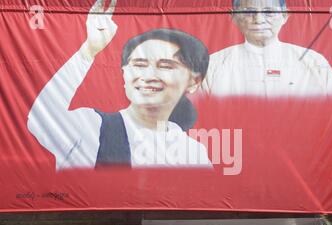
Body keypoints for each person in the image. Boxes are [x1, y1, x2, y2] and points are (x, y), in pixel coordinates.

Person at [28, 0, 212, 170]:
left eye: (165, 66)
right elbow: (41, 120)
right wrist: (88, 52)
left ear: (194, 82)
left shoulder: (193, 152)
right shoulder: (92, 126)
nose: (148, 76)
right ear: (124, 74)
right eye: (139, 65)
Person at [202, 0, 332, 98]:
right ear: (234, 17)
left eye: (269, 12)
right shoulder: (214, 65)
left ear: (285, 16)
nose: (258, 20)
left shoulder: (313, 62)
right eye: (248, 12)